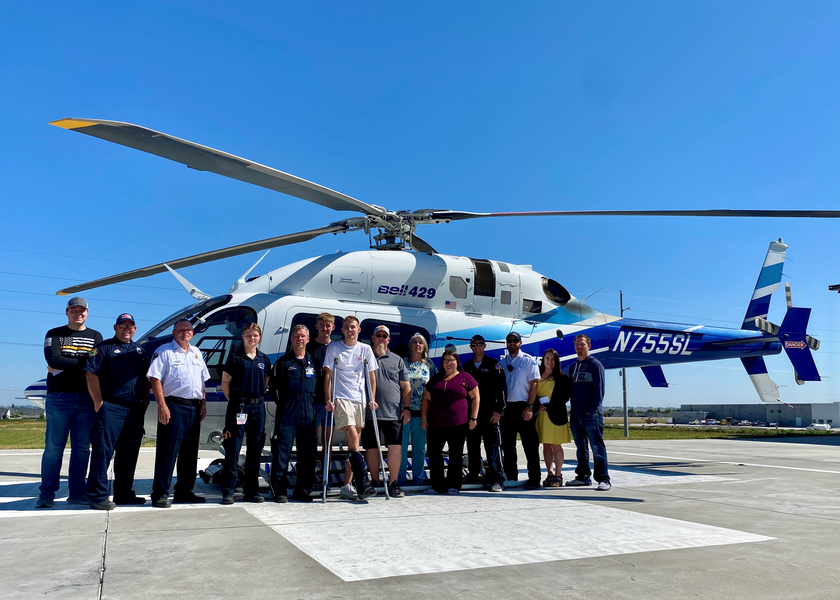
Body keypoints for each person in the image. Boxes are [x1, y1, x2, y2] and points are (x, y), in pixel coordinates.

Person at [37, 297, 103, 509]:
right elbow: (53, 360)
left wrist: (67, 363)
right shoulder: (53, 334)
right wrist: (84, 363)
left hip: (86, 399)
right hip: (59, 397)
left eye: (82, 310)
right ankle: (47, 493)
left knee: (82, 448)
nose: (78, 314)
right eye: (73, 310)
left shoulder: (96, 336)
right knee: (53, 448)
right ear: (67, 313)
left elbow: (97, 363)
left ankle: (77, 492)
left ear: (87, 313)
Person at [84, 313, 150, 510]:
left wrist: (145, 401)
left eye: (130, 326)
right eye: (123, 325)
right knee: (103, 451)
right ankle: (97, 496)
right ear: (115, 327)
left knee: (129, 453)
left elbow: (147, 378)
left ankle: (124, 493)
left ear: (135, 329)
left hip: (135, 409)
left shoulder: (139, 351)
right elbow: (90, 374)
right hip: (111, 407)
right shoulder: (103, 348)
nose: (127, 329)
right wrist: (99, 402)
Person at [147, 319, 210, 508]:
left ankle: (184, 491)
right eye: (181, 330)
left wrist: (203, 402)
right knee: (168, 451)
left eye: (188, 330)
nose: (185, 333)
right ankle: (160, 493)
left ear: (193, 333)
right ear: (174, 333)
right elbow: (155, 379)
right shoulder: (164, 352)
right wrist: (162, 405)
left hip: (194, 407)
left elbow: (202, 380)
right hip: (173, 406)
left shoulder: (197, 353)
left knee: (189, 453)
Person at [323, 316, 378, 501]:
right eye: (346, 327)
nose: (349, 330)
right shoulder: (334, 348)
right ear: (342, 330)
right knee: (353, 436)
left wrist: (372, 399)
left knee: (354, 444)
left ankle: (347, 485)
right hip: (341, 397)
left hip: (360, 399)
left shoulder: (366, 349)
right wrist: (328, 398)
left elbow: (371, 376)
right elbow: (328, 376)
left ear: (358, 330)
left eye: (352, 327)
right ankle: (362, 481)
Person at [219, 323, 271, 505]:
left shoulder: (264, 359)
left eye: (255, 335)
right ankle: (228, 491)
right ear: (243, 336)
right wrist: (234, 401)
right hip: (238, 408)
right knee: (233, 449)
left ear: (260, 337)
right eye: (248, 334)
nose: (252, 338)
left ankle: (252, 492)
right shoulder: (234, 358)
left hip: (258, 408)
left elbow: (265, 382)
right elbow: (226, 382)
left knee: (255, 451)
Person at [269, 324, 318, 503]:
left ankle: (303, 490)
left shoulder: (314, 363)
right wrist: (284, 404)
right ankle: (279, 490)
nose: (299, 339)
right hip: (287, 411)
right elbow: (273, 389)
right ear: (291, 339)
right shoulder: (283, 363)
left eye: (302, 336)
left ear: (307, 339)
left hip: (307, 411)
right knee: (282, 451)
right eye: (296, 336)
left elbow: (318, 389)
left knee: (307, 453)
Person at [422, 350, 479, 495]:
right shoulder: (435, 379)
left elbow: (475, 397)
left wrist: (473, 418)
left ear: (456, 362)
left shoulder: (465, 377)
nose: (448, 363)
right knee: (434, 454)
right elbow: (426, 399)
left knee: (455, 455)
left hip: (458, 425)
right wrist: (424, 419)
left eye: (451, 360)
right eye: (446, 360)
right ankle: (438, 486)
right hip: (436, 425)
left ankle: (454, 485)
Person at [363, 326, 410, 498]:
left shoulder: (397, 360)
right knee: (372, 448)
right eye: (378, 335)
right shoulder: (364, 358)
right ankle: (375, 481)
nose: (381, 338)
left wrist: (406, 409)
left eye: (385, 336)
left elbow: (405, 387)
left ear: (389, 340)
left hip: (393, 413)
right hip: (369, 414)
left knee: (395, 448)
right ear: (373, 338)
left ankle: (393, 483)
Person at [566, 334, 610, 490]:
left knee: (597, 447)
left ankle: (604, 479)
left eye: (582, 344)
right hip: (576, 414)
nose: (579, 347)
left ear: (588, 346)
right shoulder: (572, 367)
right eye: (577, 344)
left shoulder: (595, 364)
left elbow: (599, 392)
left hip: (591, 415)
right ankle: (583, 476)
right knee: (581, 448)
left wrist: (591, 411)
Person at [462, 334, 506, 493]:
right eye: (474, 344)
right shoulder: (467, 366)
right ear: (471, 347)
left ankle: (497, 479)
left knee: (493, 447)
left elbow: (502, 389)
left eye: (480, 344)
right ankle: (473, 475)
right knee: (473, 446)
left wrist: (499, 411)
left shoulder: (494, 365)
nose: (477, 347)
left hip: (490, 414)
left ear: (484, 346)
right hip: (473, 414)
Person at [499, 332, 541, 489]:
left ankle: (534, 478)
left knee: (530, 445)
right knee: (508, 446)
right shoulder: (502, 363)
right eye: (509, 341)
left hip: (524, 406)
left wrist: (530, 406)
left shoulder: (528, 361)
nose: (511, 343)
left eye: (514, 341)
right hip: (507, 409)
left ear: (520, 343)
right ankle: (511, 476)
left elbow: (534, 384)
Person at [399, 333, 437, 486]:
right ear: (410, 346)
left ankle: (418, 480)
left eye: (420, 343)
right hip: (404, 412)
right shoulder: (402, 363)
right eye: (414, 342)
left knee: (419, 448)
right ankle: (399, 480)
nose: (417, 345)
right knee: (400, 449)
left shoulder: (429, 365)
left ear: (424, 347)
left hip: (422, 414)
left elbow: (435, 386)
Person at [535, 348, 572, 488]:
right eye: (547, 358)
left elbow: (564, 397)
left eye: (553, 359)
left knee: (556, 445)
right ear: (543, 360)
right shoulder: (536, 375)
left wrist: (548, 407)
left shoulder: (562, 377)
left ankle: (558, 475)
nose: (550, 361)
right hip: (541, 416)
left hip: (555, 416)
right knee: (546, 445)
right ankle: (549, 473)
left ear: (557, 362)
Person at [307, 313, 335, 488]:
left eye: (328, 325)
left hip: (331, 401)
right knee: (311, 439)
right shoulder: (308, 347)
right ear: (317, 326)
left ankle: (325, 475)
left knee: (328, 440)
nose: (325, 328)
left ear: (333, 328)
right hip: (313, 400)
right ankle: (310, 475)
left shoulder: (337, 347)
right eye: (322, 325)